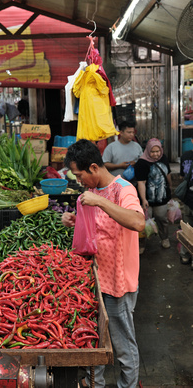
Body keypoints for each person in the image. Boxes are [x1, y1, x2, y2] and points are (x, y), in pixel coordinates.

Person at [61, 139, 145, 388]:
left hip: (119, 284)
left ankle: (127, 385)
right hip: (95, 280)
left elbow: (138, 222)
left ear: (94, 168)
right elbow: (98, 228)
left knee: (123, 345)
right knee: (93, 339)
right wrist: (75, 220)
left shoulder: (123, 190)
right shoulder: (93, 191)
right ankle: (93, 383)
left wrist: (101, 202)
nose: (78, 181)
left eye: (79, 175)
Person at [134, 138, 172, 249]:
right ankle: (141, 243)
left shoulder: (164, 158)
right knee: (143, 222)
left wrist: (170, 186)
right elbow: (141, 182)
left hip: (162, 197)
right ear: (147, 151)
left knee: (162, 219)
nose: (155, 154)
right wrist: (144, 199)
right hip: (147, 198)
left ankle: (164, 238)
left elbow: (168, 173)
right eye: (152, 151)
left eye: (157, 151)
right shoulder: (141, 163)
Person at [178, 139, 193, 266]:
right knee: (187, 227)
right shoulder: (185, 156)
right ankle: (185, 255)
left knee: (188, 228)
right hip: (188, 199)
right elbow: (182, 176)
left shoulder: (186, 156)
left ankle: (186, 256)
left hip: (189, 197)